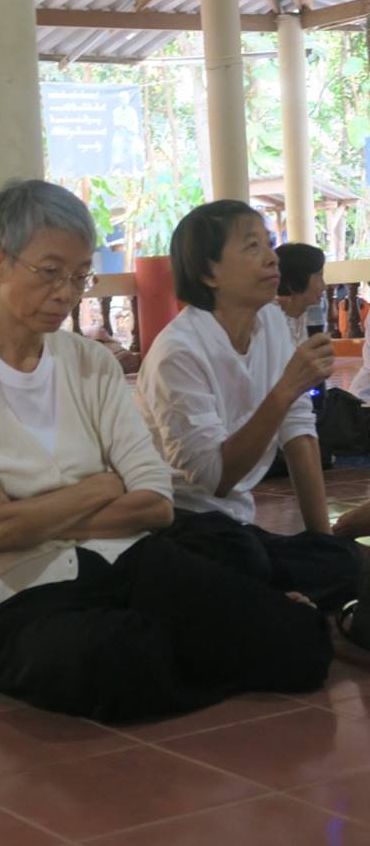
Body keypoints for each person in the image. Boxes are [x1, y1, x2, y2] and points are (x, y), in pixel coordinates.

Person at [0, 180, 331, 724]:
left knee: (302, 643)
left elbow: (155, 502)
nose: (65, 293)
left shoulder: (92, 363)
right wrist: (104, 485)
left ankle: (202, 647)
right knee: (122, 659)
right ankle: (204, 650)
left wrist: (22, 507)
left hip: (129, 560)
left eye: (79, 275)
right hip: (21, 597)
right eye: (49, 272)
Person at [136, 200, 362, 613]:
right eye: (252, 246)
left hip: (235, 524)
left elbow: (298, 428)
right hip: (178, 522)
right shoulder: (179, 352)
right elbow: (214, 480)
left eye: (269, 244)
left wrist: (322, 540)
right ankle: (274, 605)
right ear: (209, 273)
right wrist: (286, 389)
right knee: (242, 556)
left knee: (345, 563)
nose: (272, 258)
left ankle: (273, 602)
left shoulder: (270, 322)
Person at [275, 243, 326, 347]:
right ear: (296, 281)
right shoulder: (268, 321)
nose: (324, 287)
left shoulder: (308, 317)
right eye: (319, 276)